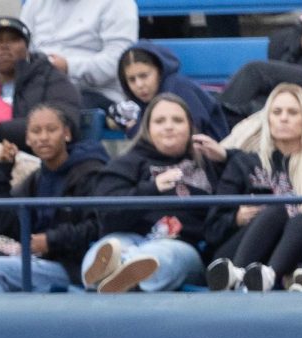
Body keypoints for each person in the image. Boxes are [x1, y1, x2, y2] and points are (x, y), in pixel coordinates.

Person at [204, 83, 302, 292]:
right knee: (276, 211)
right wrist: (236, 218)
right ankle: (238, 275)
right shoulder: (244, 162)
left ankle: (265, 276)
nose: (283, 118)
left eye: (292, 112)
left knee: (298, 218)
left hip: (295, 257)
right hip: (235, 254)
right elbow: (211, 230)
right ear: (267, 118)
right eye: (276, 112)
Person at [81, 94, 223, 292]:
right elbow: (106, 213)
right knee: (104, 250)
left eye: (177, 120)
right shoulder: (127, 162)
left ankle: (121, 271)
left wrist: (226, 157)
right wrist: (152, 188)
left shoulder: (209, 163)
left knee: (161, 256)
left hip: (181, 245)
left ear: (190, 127)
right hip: (129, 236)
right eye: (159, 121)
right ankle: (116, 271)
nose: (168, 126)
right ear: (147, 128)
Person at [0, 104, 108, 293]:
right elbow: (0, 221)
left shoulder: (90, 172)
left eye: (51, 130)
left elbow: (98, 226)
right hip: (39, 261)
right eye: (36, 131)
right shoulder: (36, 179)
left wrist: (51, 240)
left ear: (66, 134)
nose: (43, 137)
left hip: (76, 267)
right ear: (27, 138)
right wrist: (1, 170)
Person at [0, 16, 83, 153]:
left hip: (28, 160)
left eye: (13, 39)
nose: (4, 46)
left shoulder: (51, 79)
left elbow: (63, 121)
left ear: (27, 46)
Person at [20, 0, 138, 108]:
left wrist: (68, 67)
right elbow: (22, 50)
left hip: (95, 93)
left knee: (50, 110)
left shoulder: (117, 3)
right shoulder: (34, 4)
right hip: (39, 88)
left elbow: (120, 62)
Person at [110, 42, 229, 141]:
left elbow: (181, 137)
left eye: (144, 76)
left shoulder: (178, 88)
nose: (139, 85)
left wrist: (135, 130)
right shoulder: (141, 105)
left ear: (159, 71)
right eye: (131, 80)